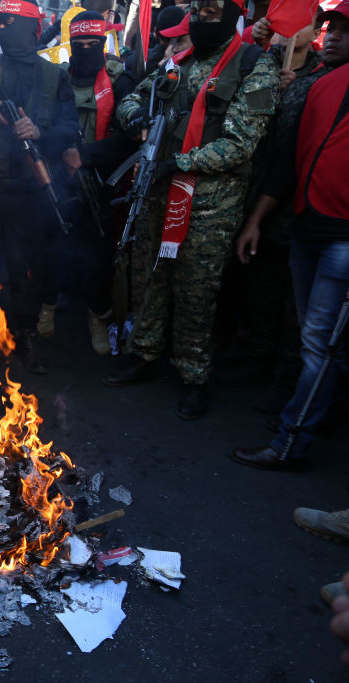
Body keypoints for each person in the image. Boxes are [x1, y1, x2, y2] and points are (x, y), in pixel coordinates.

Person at [103, 0, 278, 420]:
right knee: (149, 277)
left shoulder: (255, 66)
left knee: (196, 290)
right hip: (158, 192)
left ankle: (194, 374)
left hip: (208, 205)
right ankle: (144, 353)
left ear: (233, 15)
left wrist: (178, 162)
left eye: (212, 14)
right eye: (197, 12)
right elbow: (134, 98)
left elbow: (239, 144)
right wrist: (137, 122)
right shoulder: (176, 62)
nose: (201, 20)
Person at [230, 2, 349, 469]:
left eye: (344, 29)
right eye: (331, 28)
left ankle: (290, 442)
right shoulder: (316, 85)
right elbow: (290, 164)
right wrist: (257, 220)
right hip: (308, 230)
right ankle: (307, 417)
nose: (334, 35)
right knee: (313, 339)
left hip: (342, 238)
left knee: (319, 341)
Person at [0, 0, 80, 374]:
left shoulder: (54, 76)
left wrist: (40, 132)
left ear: (33, 29)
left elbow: (71, 130)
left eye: (12, 24)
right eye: (0, 23)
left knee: (26, 270)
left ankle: (24, 335)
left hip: (32, 192)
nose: (4, 30)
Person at [65, 11, 136, 355]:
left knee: (98, 256)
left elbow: (131, 136)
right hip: (61, 178)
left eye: (93, 44)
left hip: (105, 181)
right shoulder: (59, 79)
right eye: (78, 45)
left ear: (104, 44)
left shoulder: (121, 81)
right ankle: (52, 310)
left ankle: (98, 315)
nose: (86, 50)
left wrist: (88, 155)